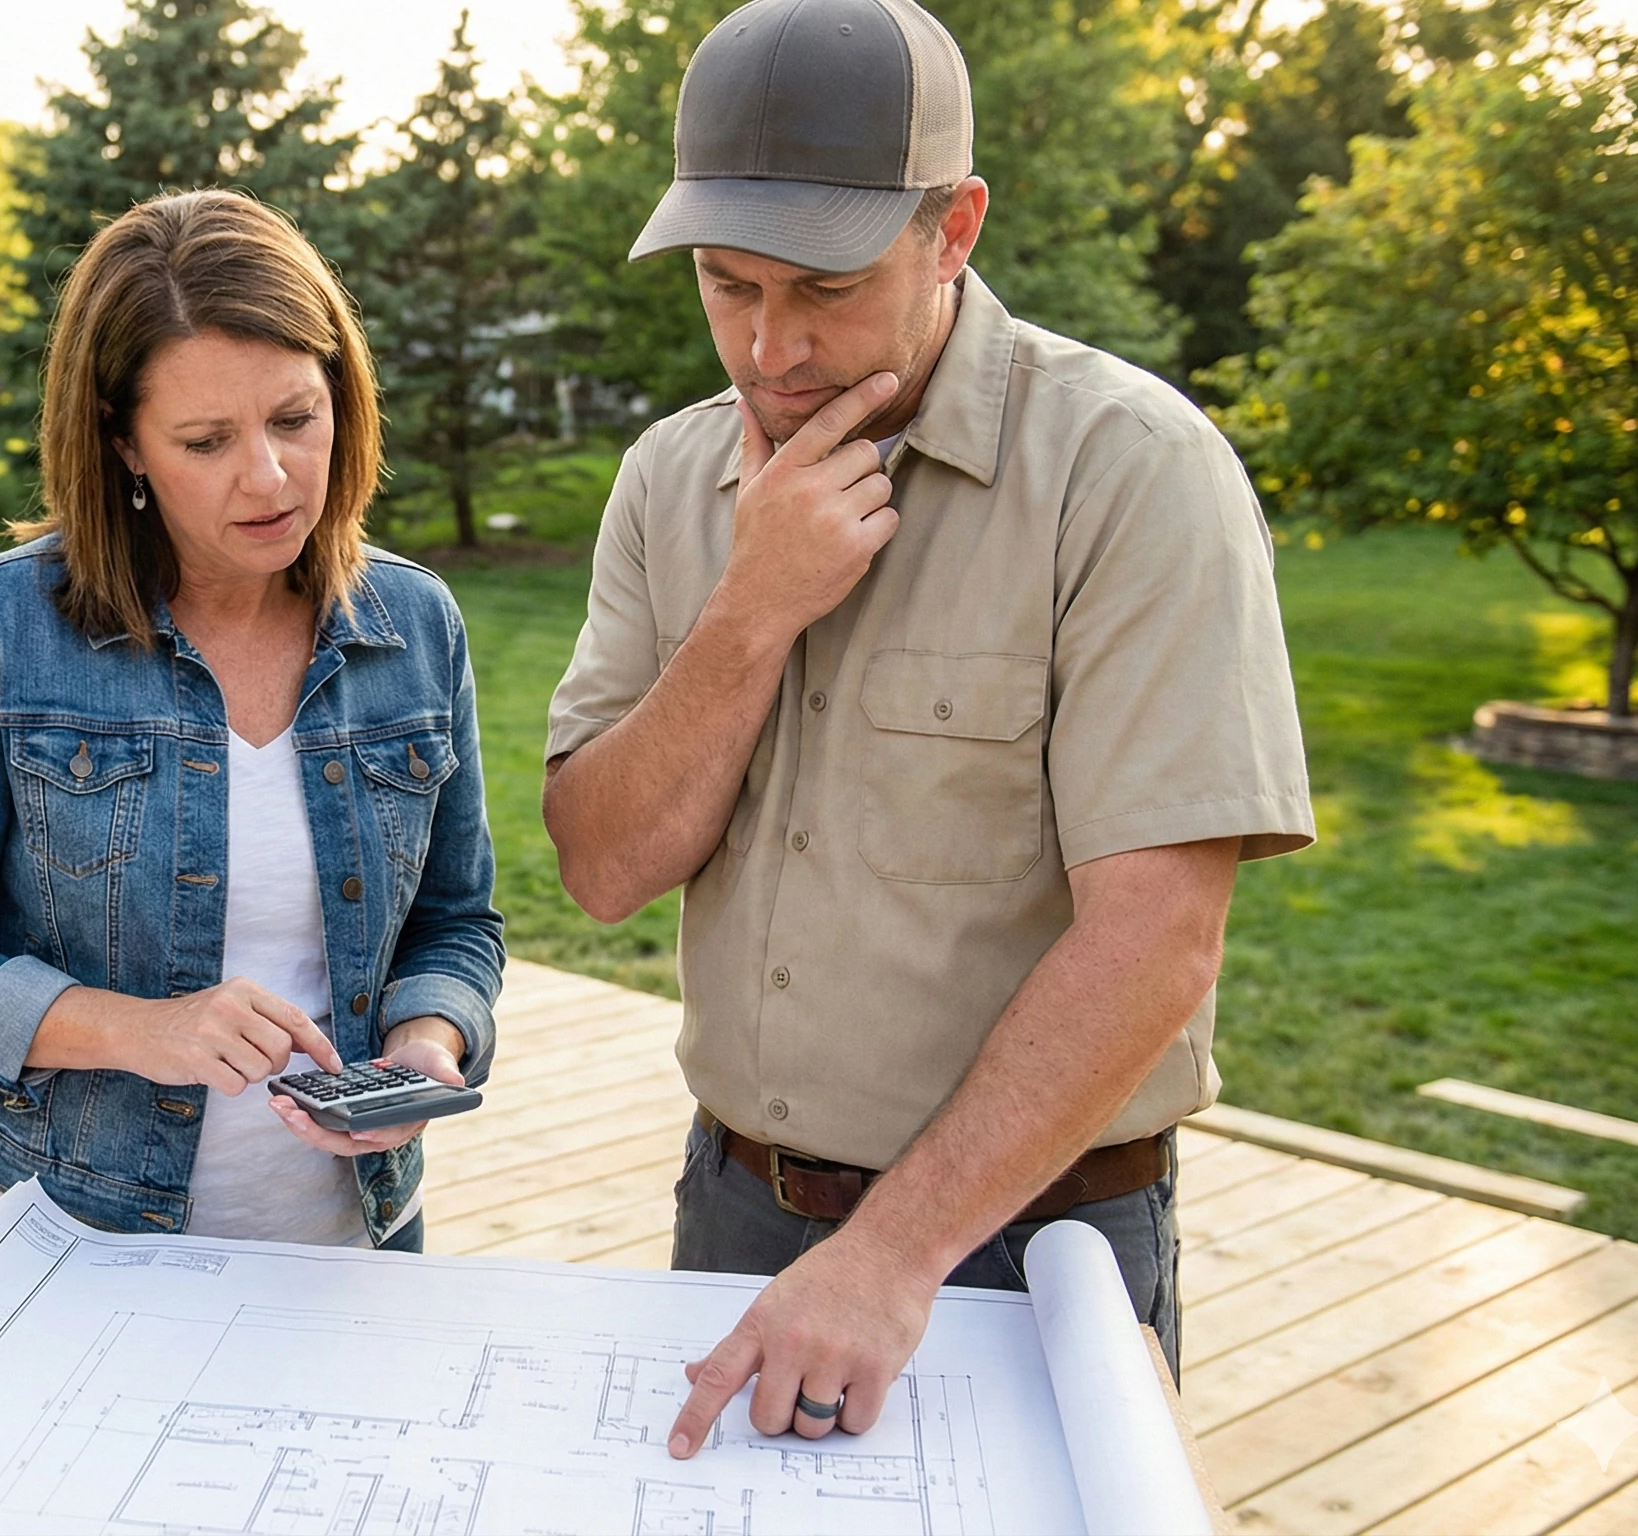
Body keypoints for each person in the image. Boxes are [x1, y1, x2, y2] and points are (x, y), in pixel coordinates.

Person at [541, 0, 1314, 1455]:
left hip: (1033, 1247)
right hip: (735, 1208)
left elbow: (1159, 940)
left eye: (823, 286)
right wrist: (750, 613)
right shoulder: (666, 479)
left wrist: (891, 1254)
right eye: (725, 282)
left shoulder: (1134, 473)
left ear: (952, 228)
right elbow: (602, 867)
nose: (767, 345)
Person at [0, 189, 504, 1252]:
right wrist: (141, 1030)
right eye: (205, 440)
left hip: (357, 1242)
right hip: (73, 1243)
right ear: (124, 443)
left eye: (296, 418)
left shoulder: (414, 623)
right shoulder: (2, 627)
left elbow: (454, 923)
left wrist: (429, 1042)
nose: (269, 476)